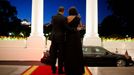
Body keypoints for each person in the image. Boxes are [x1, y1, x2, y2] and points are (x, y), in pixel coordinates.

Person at [64, 7, 85, 75]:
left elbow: (65, 27)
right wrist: (77, 28)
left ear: (69, 12)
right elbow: (81, 27)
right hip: (76, 37)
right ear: (75, 11)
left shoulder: (66, 18)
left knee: (69, 53)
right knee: (77, 52)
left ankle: (69, 70)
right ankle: (78, 70)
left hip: (69, 37)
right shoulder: (78, 18)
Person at [49, 6, 66, 74]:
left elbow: (52, 25)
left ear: (58, 10)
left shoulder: (53, 17)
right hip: (61, 38)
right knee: (61, 55)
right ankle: (60, 70)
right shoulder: (64, 18)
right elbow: (65, 27)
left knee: (53, 54)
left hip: (53, 37)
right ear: (63, 11)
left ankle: (53, 69)